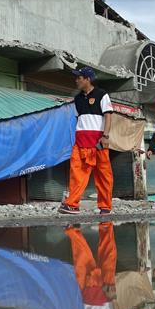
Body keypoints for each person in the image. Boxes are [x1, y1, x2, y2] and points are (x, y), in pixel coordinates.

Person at [59, 67, 114, 215]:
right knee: (77, 173)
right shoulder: (77, 99)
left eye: (79, 78)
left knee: (103, 175)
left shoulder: (102, 95)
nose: (76, 80)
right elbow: (79, 119)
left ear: (88, 79)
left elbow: (108, 116)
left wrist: (106, 135)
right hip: (81, 142)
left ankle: (105, 207)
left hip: (98, 141)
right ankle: (72, 204)